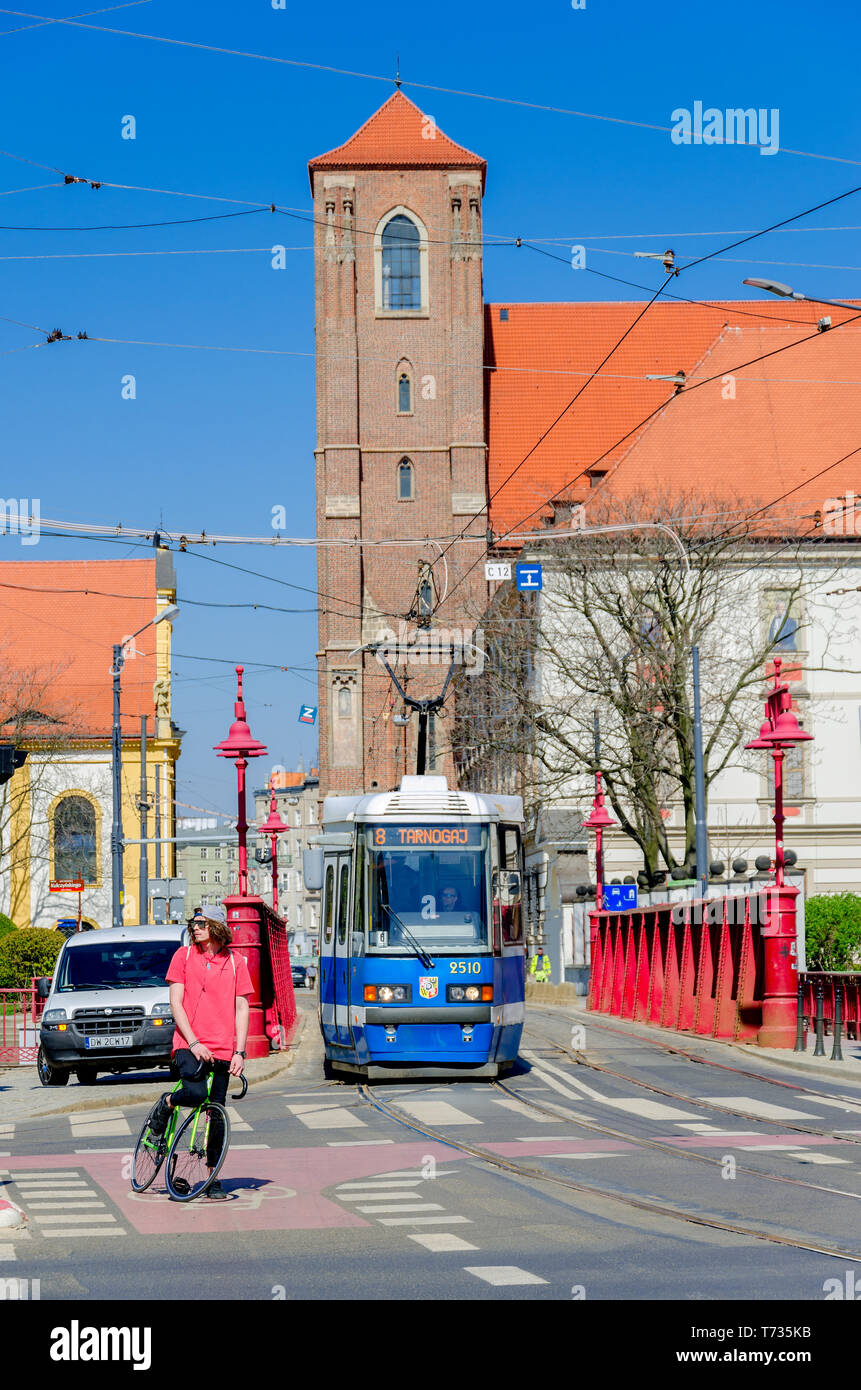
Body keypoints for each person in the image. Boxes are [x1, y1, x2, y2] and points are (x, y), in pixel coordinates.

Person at [148, 905, 253, 1200]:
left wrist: (240, 1052)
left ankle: (212, 1177)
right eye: (193, 923)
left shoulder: (236, 962)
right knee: (194, 1095)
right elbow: (176, 1003)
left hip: (222, 1048)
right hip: (188, 1044)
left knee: (216, 1114)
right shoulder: (183, 956)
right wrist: (194, 1042)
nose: (194, 928)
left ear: (217, 927)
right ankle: (168, 1102)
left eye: (201, 923)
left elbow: (242, 1008)